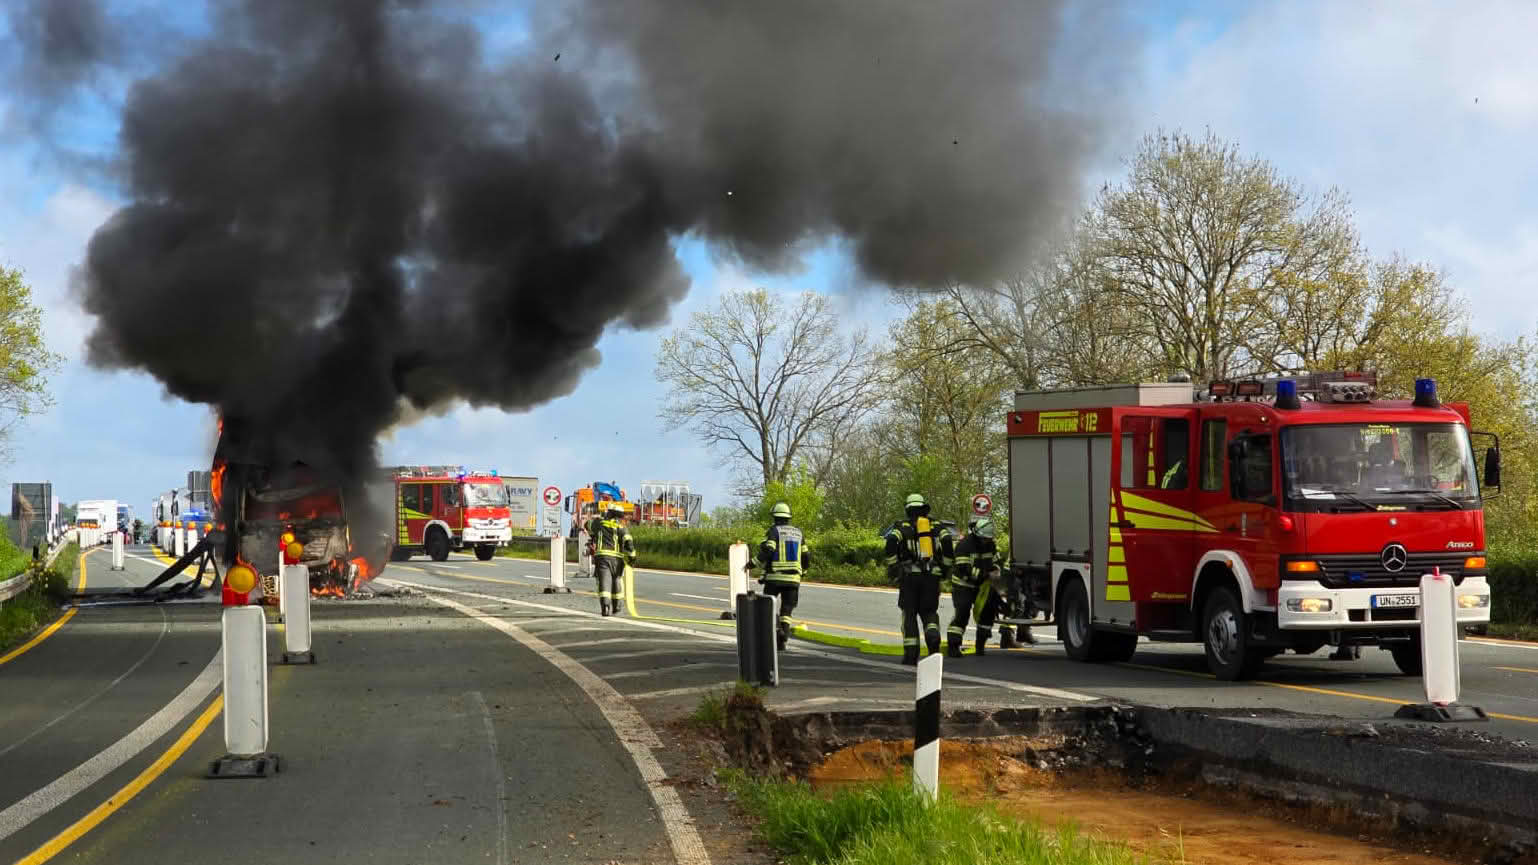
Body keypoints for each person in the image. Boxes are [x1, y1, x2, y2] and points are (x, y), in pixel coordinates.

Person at [884, 493, 954, 665]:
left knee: (909, 614)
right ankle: (933, 642)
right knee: (929, 612)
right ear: (924, 508)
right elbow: (947, 542)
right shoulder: (936, 525)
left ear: (908, 509)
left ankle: (911, 655)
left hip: (909, 578)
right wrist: (944, 568)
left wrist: (894, 566)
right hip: (931, 577)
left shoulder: (902, 526)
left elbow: (891, 541)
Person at [946, 517, 1026, 657]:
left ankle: (980, 646)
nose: (986, 541)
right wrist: (986, 575)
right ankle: (953, 646)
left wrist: (996, 570)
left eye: (988, 539)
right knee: (962, 613)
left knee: (988, 613)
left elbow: (995, 562)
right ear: (976, 534)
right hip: (963, 585)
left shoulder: (990, 545)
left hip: (982, 586)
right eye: (984, 538)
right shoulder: (964, 545)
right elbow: (964, 568)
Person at [754, 501, 809, 650]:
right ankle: (783, 634)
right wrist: (803, 571)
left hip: (774, 578)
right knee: (787, 609)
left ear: (775, 518)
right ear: (788, 517)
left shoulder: (774, 531)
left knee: (768, 605)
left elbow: (769, 550)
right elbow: (806, 555)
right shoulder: (798, 533)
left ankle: (776, 629)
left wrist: (753, 563)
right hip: (793, 579)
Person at [589, 505, 635, 617]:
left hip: (603, 557)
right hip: (618, 559)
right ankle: (617, 607)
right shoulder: (621, 527)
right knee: (616, 581)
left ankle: (605, 607)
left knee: (604, 581)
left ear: (609, 513)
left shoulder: (598, 524)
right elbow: (629, 543)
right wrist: (632, 558)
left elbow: (587, 525)